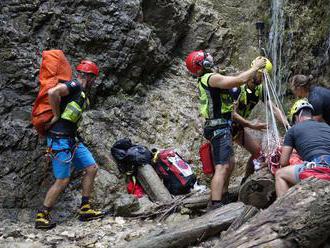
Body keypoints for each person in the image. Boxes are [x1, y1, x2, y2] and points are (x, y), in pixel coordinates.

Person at [185, 50, 267, 209]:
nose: (210, 58)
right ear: (201, 64)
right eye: (205, 58)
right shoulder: (210, 78)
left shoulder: (207, 78)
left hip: (221, 125)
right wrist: (255, 67)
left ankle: (223, 194)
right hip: (219, 126)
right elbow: (238, 80)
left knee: (229, 163)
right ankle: (215, 204)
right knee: (222, 166)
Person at [35, 60, 104, 229]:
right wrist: (56, 116)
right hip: (59, 141)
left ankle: (85, 208)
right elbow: (53, 92)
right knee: (62, 180)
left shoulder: (81, 92)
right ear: (90, 77)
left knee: (92, 167)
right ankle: (42, 216)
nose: (94, 81)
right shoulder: (74, 85)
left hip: (71, 140)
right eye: (93, 78)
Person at [232, 57, 289, 183]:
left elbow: (273, 108)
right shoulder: (237, 87)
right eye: (262, 75)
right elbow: (232, 114)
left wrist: (287, 124)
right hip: (226, 126)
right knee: (225, 164)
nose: (263, 79)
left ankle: (246, 180)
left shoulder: (260, 89)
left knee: (258, 152)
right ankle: (217, 197)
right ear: (254, 72)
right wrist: (251, 125)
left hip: (238, 126)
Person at [275, 99, 330, 197]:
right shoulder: (326, 126)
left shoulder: (292, 130)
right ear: (311, 115)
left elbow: (283, 162)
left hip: (318, 167)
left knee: (280, 174)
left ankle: (285, 210)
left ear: (296, 117)